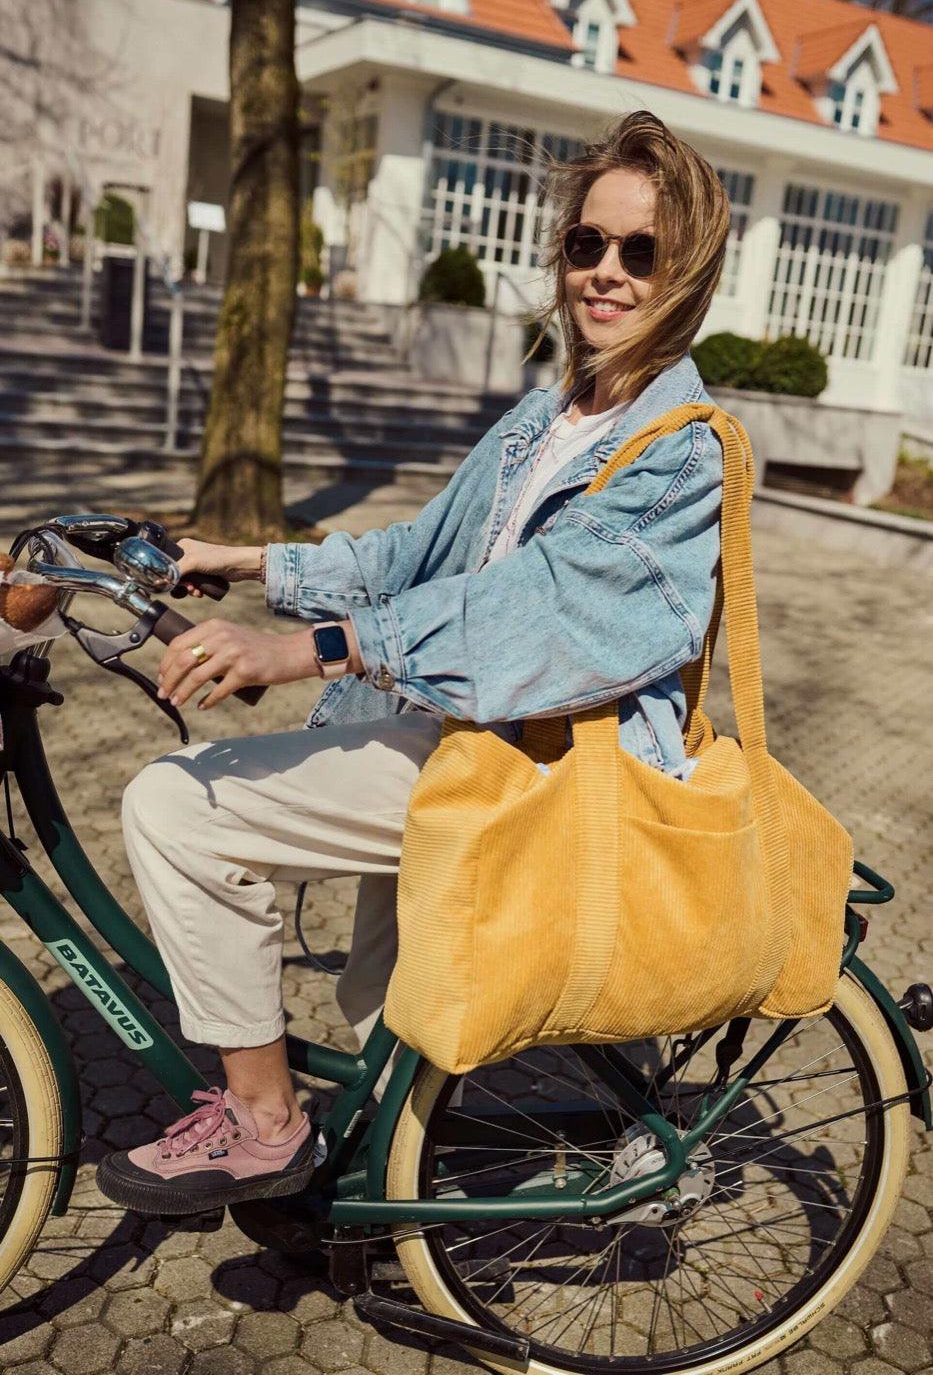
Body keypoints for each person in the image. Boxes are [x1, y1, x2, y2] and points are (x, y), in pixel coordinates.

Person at [96, 109, 731, 1215]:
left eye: (643, 252)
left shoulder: (681, 448)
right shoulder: (553, 416)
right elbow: (417, 551)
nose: (607, 273)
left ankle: (263, 1123)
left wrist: (296, 650)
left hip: (539, 761)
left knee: (176, 808)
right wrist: (247, 559)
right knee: (382, 994)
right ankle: (379, 1199)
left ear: (689, 272)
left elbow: (530, 617)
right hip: (458, 730)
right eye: (588, 244)